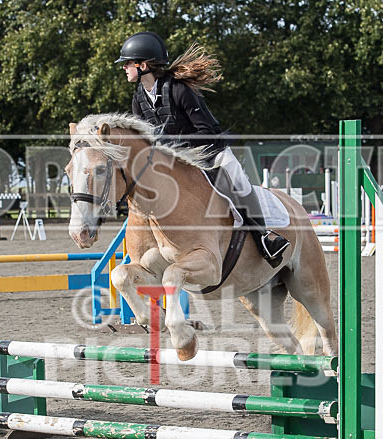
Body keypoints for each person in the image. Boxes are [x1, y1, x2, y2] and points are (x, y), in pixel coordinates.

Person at [115, 31, 290, 267]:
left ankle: (265, 237)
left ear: (143, 65)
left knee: (237, 178)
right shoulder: (139, 99)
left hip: (208, 150)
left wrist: (171, 147)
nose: (124, 68)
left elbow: (206, 132)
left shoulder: (179, 90)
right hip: (174, 160)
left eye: (127, 63)